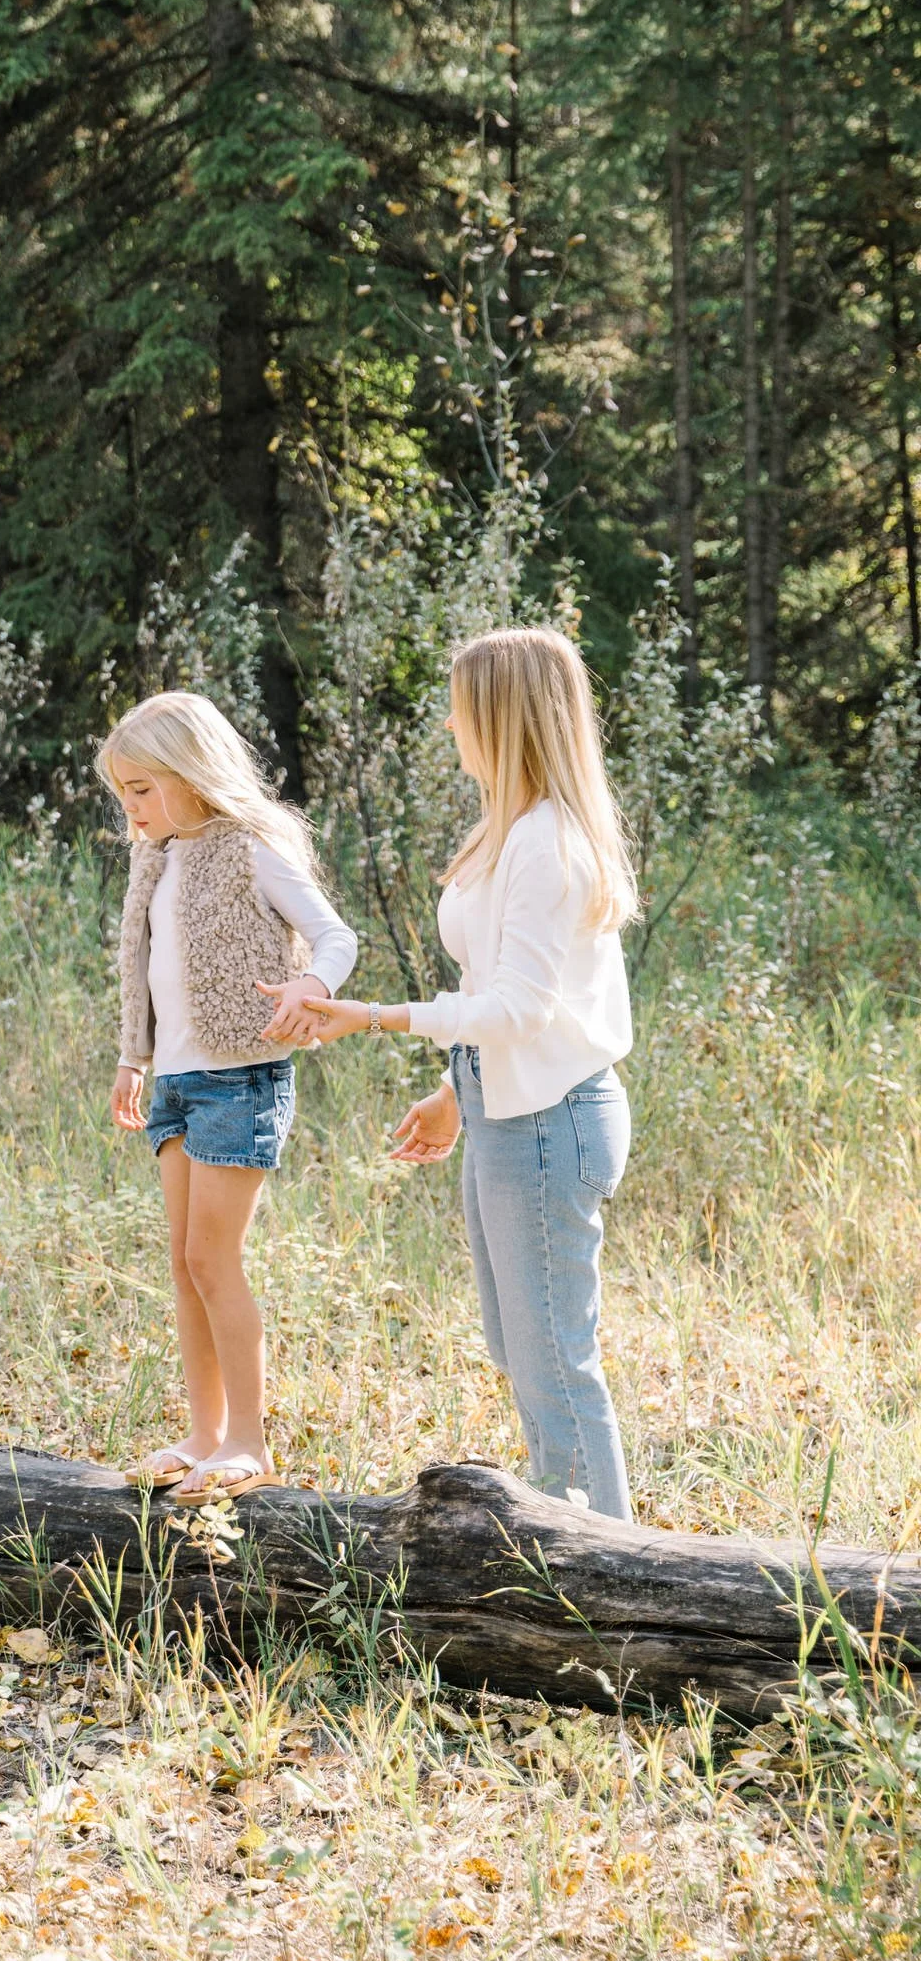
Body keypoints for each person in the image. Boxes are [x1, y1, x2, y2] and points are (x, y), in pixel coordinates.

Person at [296, 626, 637, 1521]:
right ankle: (570, 1550)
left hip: (550, 1121)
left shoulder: (546, 843)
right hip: (504, 1109)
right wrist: (458, 1089)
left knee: (558, 1363)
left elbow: (523, 1010)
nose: (449, 724)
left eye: (460, 707)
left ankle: (603, 1569)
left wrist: (376, 1015)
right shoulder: (512, 831)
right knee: (519, 1348)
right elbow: (498, 987)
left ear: (502, 715)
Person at [101, 691, 358, 1504]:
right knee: (184, 1264)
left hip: (241, 1075)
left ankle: (248, 1439)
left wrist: (309, 987)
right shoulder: (159, 859)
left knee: (215, 1259)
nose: (132, 809)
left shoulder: (250, 847)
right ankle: (203, 1434)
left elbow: (336, 936)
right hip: (176, 1079)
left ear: (192, 772)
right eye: (124, 794)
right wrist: (133, 1059)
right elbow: (149, 971)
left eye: (143, 790)